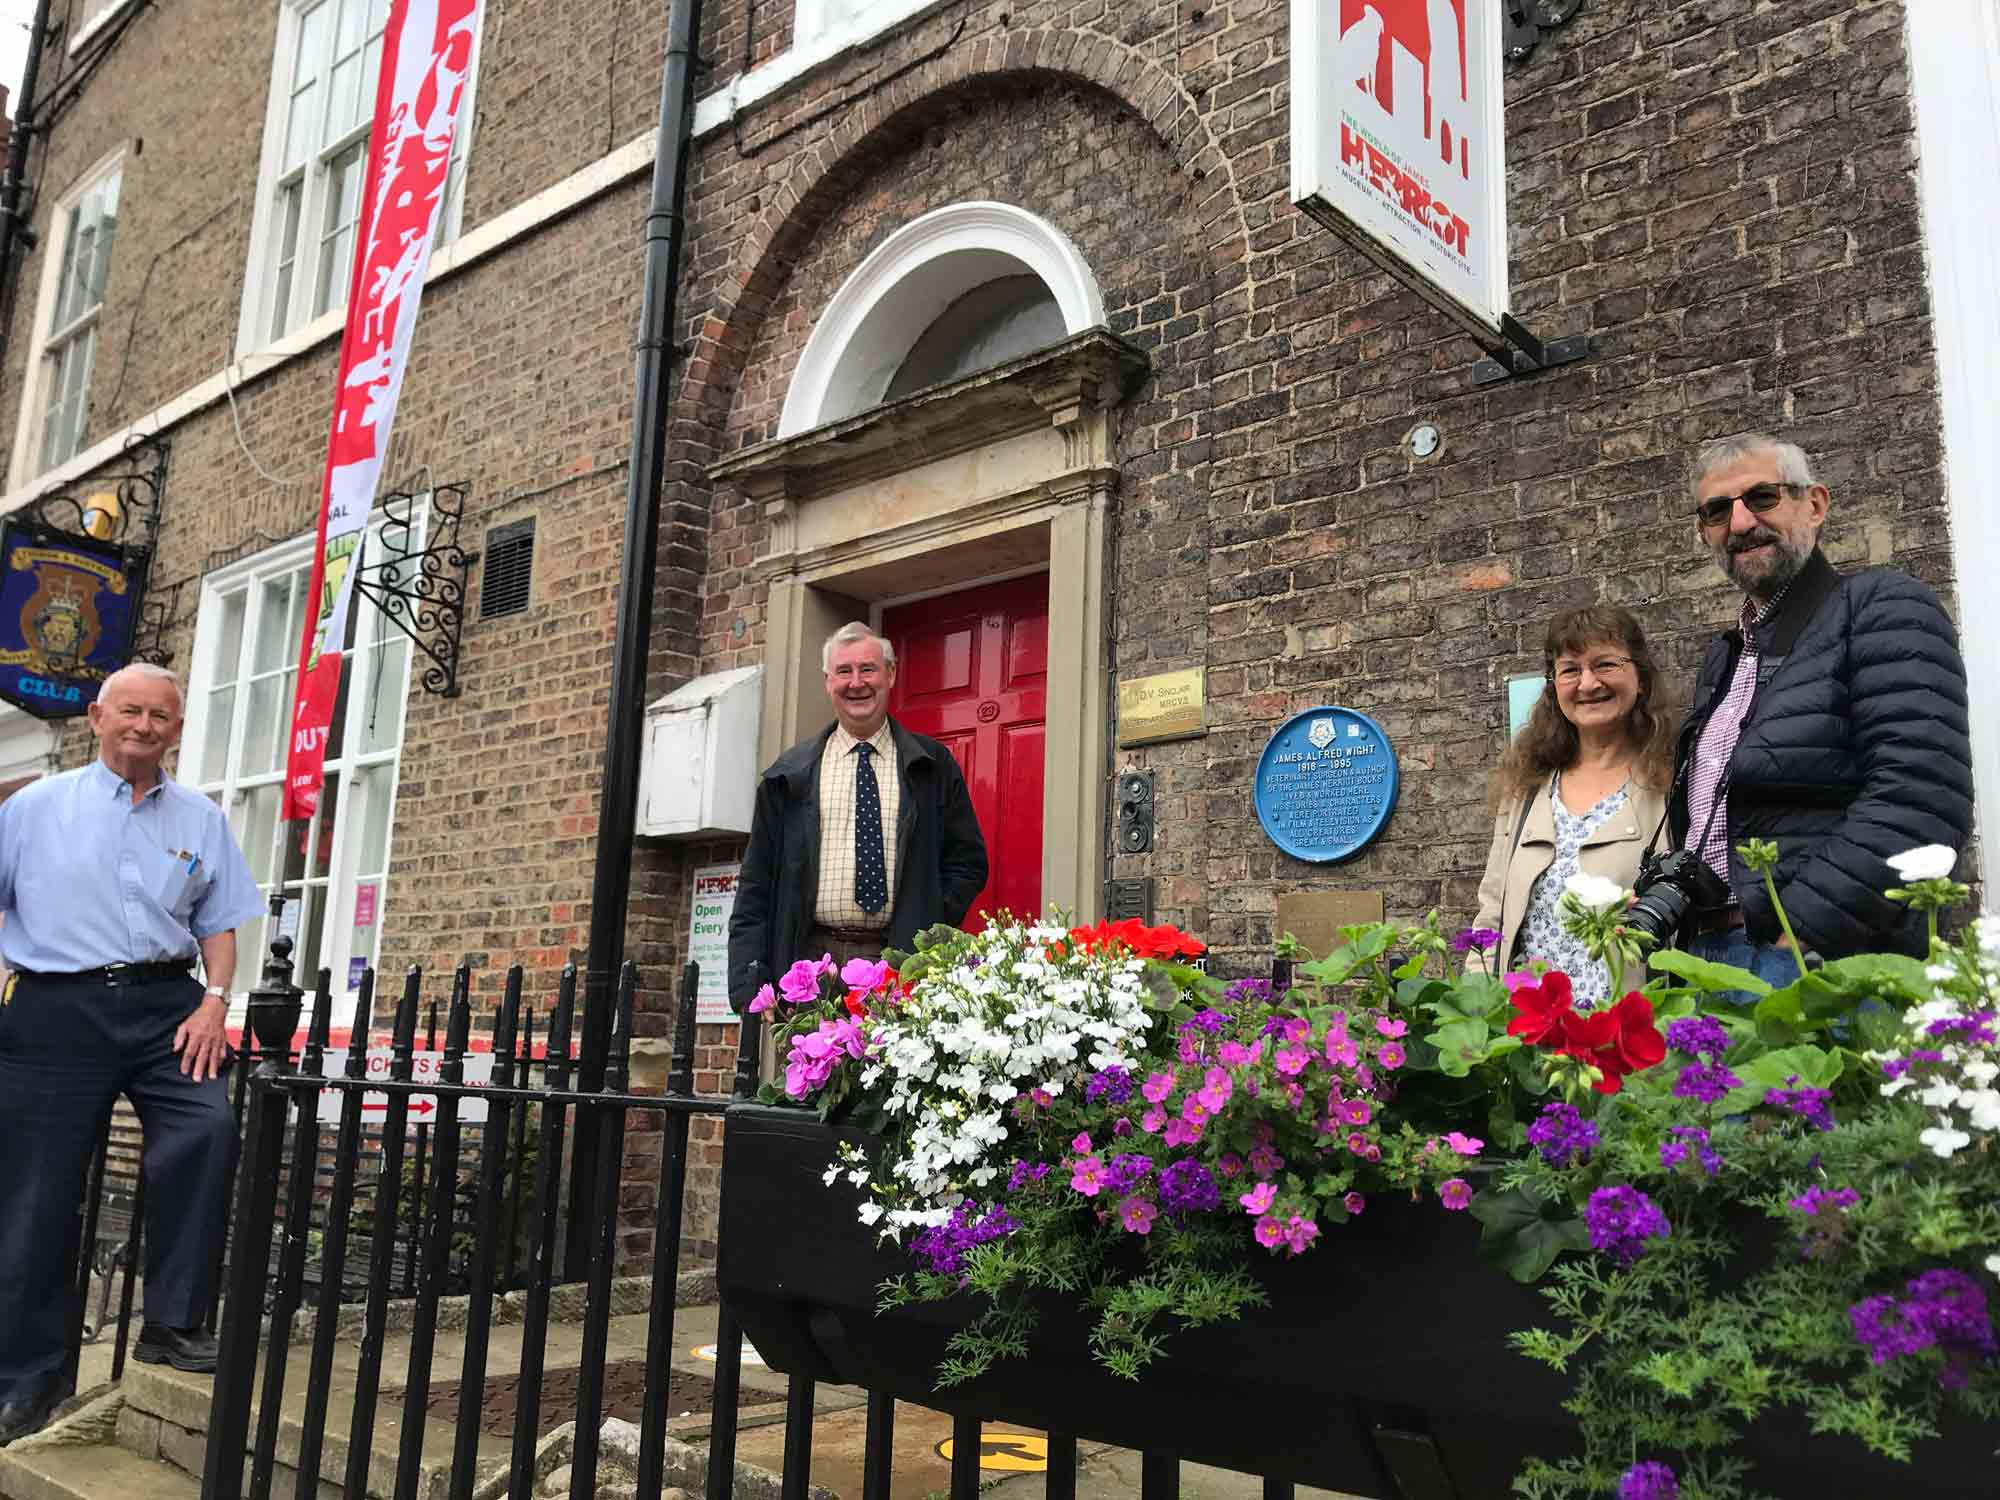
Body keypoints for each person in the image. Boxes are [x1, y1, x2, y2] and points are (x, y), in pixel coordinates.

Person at [0, 664, 263, 1446]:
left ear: (177, 728)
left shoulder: (200, 817)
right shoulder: (35, 807)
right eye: (131, 712)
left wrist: (217, 1001)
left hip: (167, 1005)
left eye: (160, 716)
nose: (144, 726)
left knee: (207, 1131)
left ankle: (172, 1325)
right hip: (55, 1005)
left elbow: (219, 920)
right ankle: (28, 1377)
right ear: (97, 716)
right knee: (38, 1193)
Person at [1665, 432, 1973, 974]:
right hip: (1708, 956)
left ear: (1815, 504)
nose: (1739, 524)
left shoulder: (1881, 607)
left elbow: (1921, 798)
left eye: (1762, 498)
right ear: (1703, 532)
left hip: (1812, 956)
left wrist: (1798, 930)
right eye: (1717, 511)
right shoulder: (1727, 654)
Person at [728, 623, 988, 1007]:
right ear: (827, 681)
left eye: (868, 669)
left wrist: (927, 922)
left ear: (891, 674)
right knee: (814, 1070)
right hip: (811, 968)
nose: (856, 683)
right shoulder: (788, 775)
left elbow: (967, 863)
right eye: (844, 672)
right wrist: (750, 984)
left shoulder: (932, 766)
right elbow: (756, 885)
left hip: (900, 967)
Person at [1471, 607, 1675, 1004]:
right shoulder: (1527, 788)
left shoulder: (1672, 782)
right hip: (1531, 1032)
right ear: (1553, 686)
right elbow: (1492, 915)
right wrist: (1479, 1011)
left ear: (1642, 678)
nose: (1588, 683)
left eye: (1605, 664)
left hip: (1627, 1031)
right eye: (1570, 670)